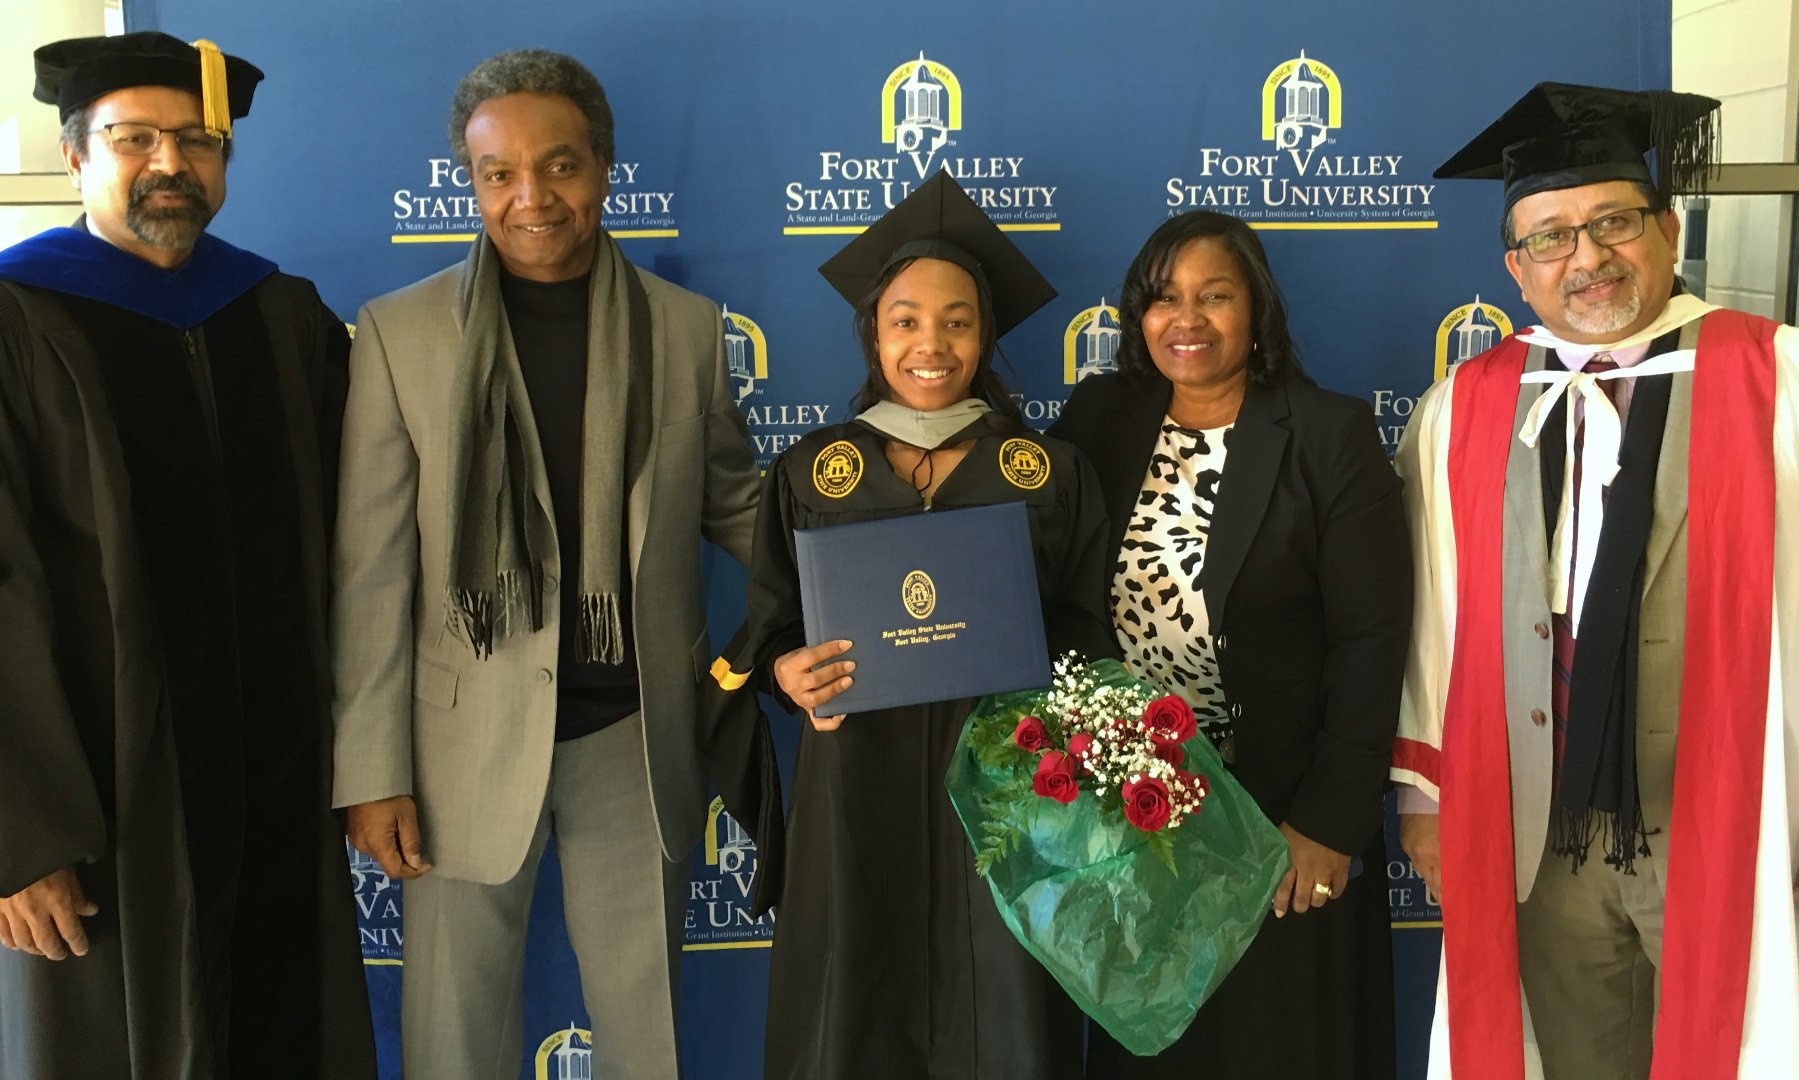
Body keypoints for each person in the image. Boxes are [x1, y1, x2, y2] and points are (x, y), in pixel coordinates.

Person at [330, 49, 760, 1078]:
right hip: (453, 749)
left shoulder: (686, 329)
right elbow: (373, 568)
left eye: (558, 166)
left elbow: (737, 503)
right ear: (470, 183)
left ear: (604, 169)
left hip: (633, 736)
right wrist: (371, 772)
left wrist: (873, 543)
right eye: (498, 174)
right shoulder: (400, 334)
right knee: (453, 1037)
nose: (531, 198)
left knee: (645, 1028)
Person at [1394, 83, 1799, 1079]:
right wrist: (1422, 798)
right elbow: (1430, 620)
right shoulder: (1462, 408)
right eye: (1549, 238)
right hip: (1541, 838)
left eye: (1611, 222)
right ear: (1513, 269)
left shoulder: (1775, 380)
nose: (1584, 258)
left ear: (1666, 229)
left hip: (1735, 819)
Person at [0, 31, 376, 1079]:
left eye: (199, 140)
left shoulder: (281, 313)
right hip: (101, 809)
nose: (171, 163)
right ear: (77, 157)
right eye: (134, 138)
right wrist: (17, 835)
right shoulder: (16, 318)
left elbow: (372, 546)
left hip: (279, 786)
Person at [709, 172, 1114, 1080]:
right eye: (905, 320)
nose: (930, 344)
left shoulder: (1043, 470)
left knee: (1007, 1014)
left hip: (1007, 794)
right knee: (852, 1013)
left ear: (987, 333)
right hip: (857, 785)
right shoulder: (817, 470)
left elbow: (1090, 633)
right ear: (874, 332)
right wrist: (785, 674)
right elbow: (771, 628)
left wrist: (1059, 717)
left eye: (957, 321)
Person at [1050, 211, 1409, 1078]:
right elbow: (1049, 583)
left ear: (1256, 310)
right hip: (1138, 820)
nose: (1188, 319)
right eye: (1164, 299)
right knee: (1158, 1047)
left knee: (1285, 1043)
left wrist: (1328, 821)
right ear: (1137, 316)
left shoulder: (1328, 433)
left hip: (1281, 820)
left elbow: (1371, 638)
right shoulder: (1098, 420)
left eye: (1215, 296)